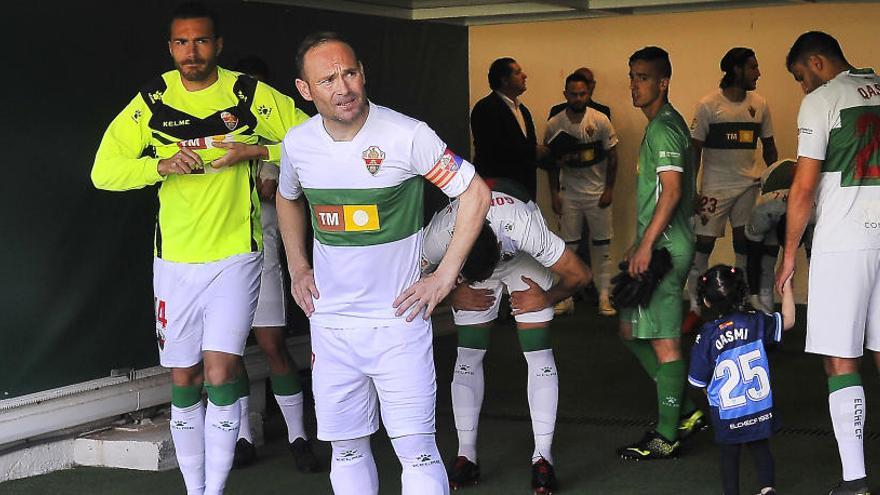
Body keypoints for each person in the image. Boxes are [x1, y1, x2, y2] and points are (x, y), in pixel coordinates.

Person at [91, 3, 310, 494]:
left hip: (236, 255)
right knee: (184, 375)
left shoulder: (249, 94)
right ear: (171, 48)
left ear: (218, 44)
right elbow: (103, 171)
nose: (193, 51)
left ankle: (213, 491)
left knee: (220, 369)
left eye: (202, 41)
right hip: (174, 264)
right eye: (182, 43)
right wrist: (160, 165)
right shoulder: (150, 102)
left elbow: (312, 139)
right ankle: (196, 489)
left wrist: (254, 150)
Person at [276, 32, 491, 495]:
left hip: (399, 324)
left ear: (363, 72)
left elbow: (476, 194)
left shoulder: (406, 135)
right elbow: (287, 197)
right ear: (304, 89)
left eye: (349, 72)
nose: (343, 87)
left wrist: (443, 277)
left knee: (416, 451)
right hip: (331, 326)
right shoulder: (297, 144)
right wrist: (297, 265)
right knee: (348, 450)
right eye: (327, 79)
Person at [422, 180, 591, 493]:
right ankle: (466, 456)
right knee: (468, 356)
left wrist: (548, 297)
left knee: (538, 353)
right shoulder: (440, 232)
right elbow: (407, 279)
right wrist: (451, 293)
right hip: (466, 261)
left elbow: (581, 274)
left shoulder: (525, 228)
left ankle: (543, 458)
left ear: (500, 246)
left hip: (522, 259)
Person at [776, 31, 880, 495]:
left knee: (841, 359)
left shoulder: (822, 101)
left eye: (801, 77)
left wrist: (787, 255)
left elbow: (802, 188)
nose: (802, 87)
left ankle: (855, 479)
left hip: (843, 241)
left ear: (816, 63)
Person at [228, 56, 319, 473]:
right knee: (228, 352)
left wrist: (257, 156)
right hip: (221, 255)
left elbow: (271, 189)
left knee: (270, 344)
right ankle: (244, 437)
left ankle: (299, 436)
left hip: (263, 253)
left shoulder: (284, 135)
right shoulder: (217, 132)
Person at [617, 46, 704, 461]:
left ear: (663, 82)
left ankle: (668, 435)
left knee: (665, 342)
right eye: (632, 76)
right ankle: (684, 408)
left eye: (643, 77)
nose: (635, 84)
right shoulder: (664, 127)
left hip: (665, 250)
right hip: (657, 243)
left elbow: (670, 192)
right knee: (630, 329)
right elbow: (678, 189)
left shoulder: (665, 129)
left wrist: (646, 245)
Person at [684, 47, 778, 332]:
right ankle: (694, 307)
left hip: (749, 186)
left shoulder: (759, 103)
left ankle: (741, 305)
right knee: (702, 247)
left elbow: (770, 147)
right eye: (753, 67)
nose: (758, 73)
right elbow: (694, 151)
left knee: (745, 245)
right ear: (736, 70)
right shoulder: (708, 105)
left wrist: (775, 185)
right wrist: (692, 190)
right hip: (715, 188)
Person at [688, 265, 795, 495]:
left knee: (729, 455)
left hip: (728, 413)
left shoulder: (706, 336)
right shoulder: (756, 321)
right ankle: (768, 489)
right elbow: (787, 321)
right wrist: (788, 287)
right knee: (760, 447)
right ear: (741, 292)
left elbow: (697, 381)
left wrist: (711, 395)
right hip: (759, 407)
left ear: (706, 301)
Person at [545, 71, 618, 316]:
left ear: (589, 94)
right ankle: (566, 298)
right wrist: (554, 193)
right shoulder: (555, 123)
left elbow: (613, 157)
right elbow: (551, 164)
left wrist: (609, 189)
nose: (578, 98)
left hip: (597, 194)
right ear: (565, 94)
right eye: (573, 94)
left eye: (582, 93)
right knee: (568, 247)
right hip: (570, 195)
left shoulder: (600, 120)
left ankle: (604, 297)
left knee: (602, 247)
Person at [471, 57, 546, 200]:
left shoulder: (523, 110)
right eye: (518, 73)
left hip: (525, 188)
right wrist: (533, 151)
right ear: (505, 80)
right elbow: (493, 149)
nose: (524, 76)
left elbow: (528, 146)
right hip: (499, 190)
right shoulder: (485, 108)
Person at [547, 67, 611, 120]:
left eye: (588, 82)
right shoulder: (557, 111)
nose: (583, 86)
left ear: (593, 84)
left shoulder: (603, 112)